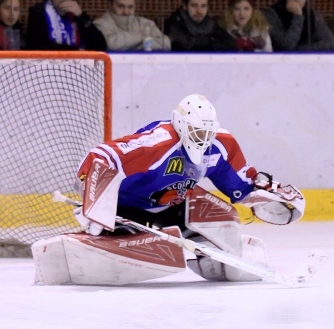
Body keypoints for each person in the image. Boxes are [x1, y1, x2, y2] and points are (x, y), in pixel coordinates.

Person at [32, 94, 306, 285]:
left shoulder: (219, 145)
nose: (204, 139)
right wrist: (94, 205)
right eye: (198, 132)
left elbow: (241, 184)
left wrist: (264, 195)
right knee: (132, 239)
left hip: (174, 203)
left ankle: (224, 257)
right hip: (127, 207)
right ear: (181, 124)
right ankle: (106, 240)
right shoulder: (157, 143)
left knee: (223, 216)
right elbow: (99, 158)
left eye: (208, 133)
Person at [26, 0, 107, 51]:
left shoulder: (77, 13)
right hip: (47, 69)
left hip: (78, 69)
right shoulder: (38, 12)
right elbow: (39, 46)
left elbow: (100, 46)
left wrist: (81, 16)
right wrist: (76, 51)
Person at [94, 0, 170, 51]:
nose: (126, 12)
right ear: (110, 5)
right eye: (120, 6)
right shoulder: (100, 24)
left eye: (130, 7)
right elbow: (110, 44)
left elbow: (166, 44)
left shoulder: (145, 23)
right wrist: (144, 37)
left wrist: (131, 44)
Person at [264, 0, 334, 52]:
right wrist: (297, 16)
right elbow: (287, 46)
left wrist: (299, 51)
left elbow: (331, 43)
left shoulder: (311, 14)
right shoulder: (270, 15)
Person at [164, 0, 237, 52]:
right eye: (194, 5)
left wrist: (208, 43)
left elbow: (230, 42)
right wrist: (211, 42)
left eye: (203, 6)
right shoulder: (174, 22)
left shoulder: (209, 23)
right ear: (185, 6)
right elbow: (186, 44)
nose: (199, 11)